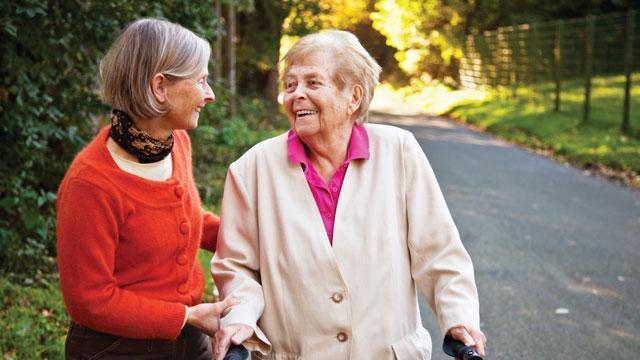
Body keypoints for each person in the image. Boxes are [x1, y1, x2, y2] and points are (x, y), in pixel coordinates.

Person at [212, 30, 486, 359]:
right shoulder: (251, 169)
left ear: (353, 97)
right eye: (290, 85)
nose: (297, 95)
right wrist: (241, 316)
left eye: (313, 83)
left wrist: (458, 318)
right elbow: (237, 267)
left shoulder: (399, 152)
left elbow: (438, 252)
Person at [56, 18, 236, 359]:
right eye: (201, 81)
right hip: (116, 348)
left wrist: (250, 236)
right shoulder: (90, 185)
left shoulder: (176, 142)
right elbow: (89, 300)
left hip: (188, 337)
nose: (209, 95)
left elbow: (184, 218)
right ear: (159, 87)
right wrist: (186, 316)